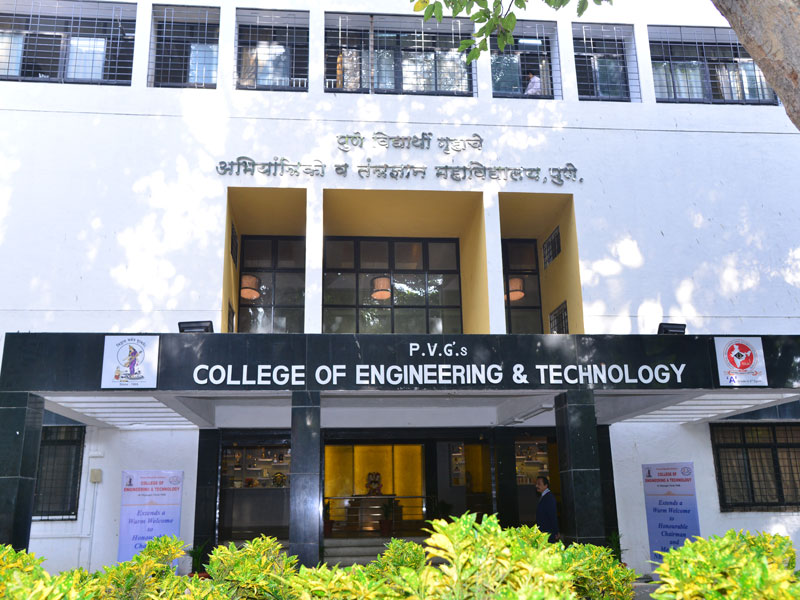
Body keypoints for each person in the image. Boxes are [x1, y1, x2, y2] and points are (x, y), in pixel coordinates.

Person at [535, 475, 559, 543]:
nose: (536, 486)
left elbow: (552, 516)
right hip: (545, 532)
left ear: (546, 485)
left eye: (539, 484)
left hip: (548, 532)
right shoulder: (545, 496)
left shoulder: (549, 497)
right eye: (536, 484)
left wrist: (556, 531)